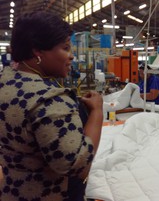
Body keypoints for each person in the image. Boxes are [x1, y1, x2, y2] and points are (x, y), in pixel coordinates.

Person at [0, 11, 103, 201]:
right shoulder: (50, 99)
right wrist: (97, 112)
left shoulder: (5, 82)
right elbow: (78, 167)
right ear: (37, 51)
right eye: (65, 48)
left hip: (12, 191)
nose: (71, 56)